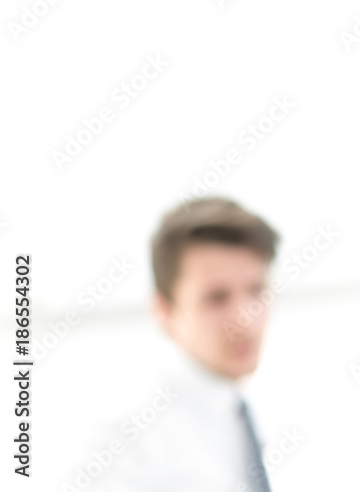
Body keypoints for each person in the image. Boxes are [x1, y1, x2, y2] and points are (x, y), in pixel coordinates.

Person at [97, 197, 279, 491]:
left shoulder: (240, 410)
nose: (245, 319)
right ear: (164, 311)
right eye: (216, 298)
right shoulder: (122, 438)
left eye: (256, 291)